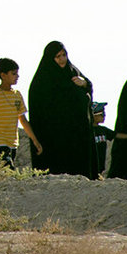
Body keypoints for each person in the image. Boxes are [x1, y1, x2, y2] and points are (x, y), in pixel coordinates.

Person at [27, 40, 97, 178]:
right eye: (58, 56)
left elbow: (88, 87)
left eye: (64, 55)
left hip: (76, 132)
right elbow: (40, 108)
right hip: (54, 134)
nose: (62, 59)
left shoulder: (73, 71)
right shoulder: (42, 80)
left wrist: (84, 84)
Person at [0, 58, 42, 168]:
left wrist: (34, 140)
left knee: (4, 169)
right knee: (7, 167)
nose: (17, 76)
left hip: (13, 141)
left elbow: (22, 119)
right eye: (13, 74)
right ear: (3, 75)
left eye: (17, 73)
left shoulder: (17, 95)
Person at [91, 101, 114, 177]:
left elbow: (116, 135)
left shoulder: (103, 130)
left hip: (101, 168)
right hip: (91, 167)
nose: (104, 116)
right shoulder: (88, 131)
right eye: (102, 114)